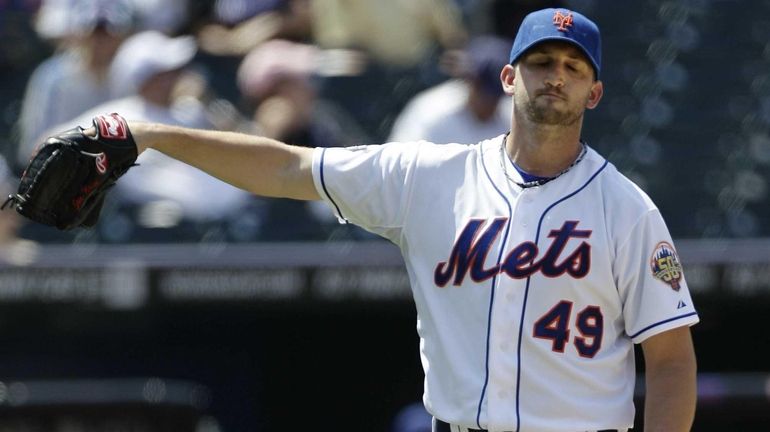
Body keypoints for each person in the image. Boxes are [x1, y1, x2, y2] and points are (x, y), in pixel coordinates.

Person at [69, 8, 698, 431]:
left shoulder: (627, 209)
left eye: (573, 67)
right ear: (509, 76)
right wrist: (149, 136)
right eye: (541, 62)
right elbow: (287, 169)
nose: (554, 78)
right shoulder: (430, 176)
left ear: (595, 91)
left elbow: (669, 359)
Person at [387, 35, 512, 144]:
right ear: (470, 81)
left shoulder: (511, 117)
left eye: (495, 96)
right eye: (483, 92)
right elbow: (399, 166)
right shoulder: (431, 112)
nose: (489, 102)